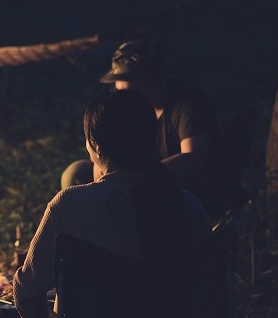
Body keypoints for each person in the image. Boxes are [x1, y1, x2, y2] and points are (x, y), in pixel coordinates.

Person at [14, 89, 212, 318]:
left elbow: (27, 289)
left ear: (95, 146)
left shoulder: (69, 207)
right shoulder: (187, 206)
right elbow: (208, 289)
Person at [60, 39, 230, 218]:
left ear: (155, 79)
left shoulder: (187, 105)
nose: (123, 96)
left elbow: (194, 158)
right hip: (129, 184)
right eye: (119, 89)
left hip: (172, 191)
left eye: (131, 88)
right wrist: (100, 165)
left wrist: (137, 176)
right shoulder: (125, 108)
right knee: (76, 174)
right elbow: (102, 146)